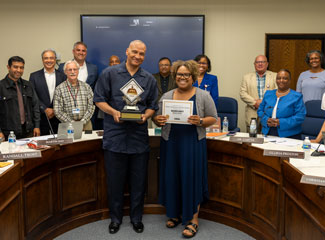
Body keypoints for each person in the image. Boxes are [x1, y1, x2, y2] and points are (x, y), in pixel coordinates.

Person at [94, 40, 158, 235]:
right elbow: (98, 99)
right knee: (115, 182)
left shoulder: (148, 79)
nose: (138, 56)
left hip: (138, 137)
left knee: (138, 182)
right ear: (127, 52)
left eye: (142, 54)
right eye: (135, 52)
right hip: (115, 136)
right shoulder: (109, 74)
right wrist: (113, 112)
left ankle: (136, 218)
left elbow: (152, 106)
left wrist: (146, 116)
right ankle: (115, 219)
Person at [153, 60, 217, 238]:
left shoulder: (203, 95)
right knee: (172, 177)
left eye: (186, 74)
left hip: (192, 143)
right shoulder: (166, 96)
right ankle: (174, 213)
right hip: (170, 142)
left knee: (191, 179)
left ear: (193, 77)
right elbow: (157, 118)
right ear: (175, 76)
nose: (182, 77)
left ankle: (193, 219)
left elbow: (214, 118)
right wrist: (158, 120)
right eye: (179, 74)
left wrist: (201, 121)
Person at [257, 69, 306, 139]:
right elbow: (260, 111)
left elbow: (300, 117)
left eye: (285, 78)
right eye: (279, 78)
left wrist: (281, 122)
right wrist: (266, 120)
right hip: (268, 132)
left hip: (290, 134)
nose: (281, 80)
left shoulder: (296, 96)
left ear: (289, 80)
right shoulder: (268, 94)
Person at [0, 56, 40, 140]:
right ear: (8, 67)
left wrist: (37, 126)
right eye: (15, 67)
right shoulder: (1, 86)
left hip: (28, 132)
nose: (18, 70)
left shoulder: (28, 85)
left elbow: (35, 106)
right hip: (8, 134)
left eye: (21, 68)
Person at [29, 49, 66, 135]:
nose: (49, 60)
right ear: (42, 60)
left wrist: (54, 110)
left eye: (51, 58)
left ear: (55, 59)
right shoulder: (34, 76)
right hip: (41, 117)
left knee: (61, 144)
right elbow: (33, 96)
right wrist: (44, 108)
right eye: (46, 58)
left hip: (59, 117)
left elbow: (64, 96)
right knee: (43, 145)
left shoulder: (63, 76)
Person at [53, 60, 95, 130]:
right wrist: (72, 122)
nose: (72, 72)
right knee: (70, 141)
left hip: (86, 124)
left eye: (75, 69)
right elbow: (57, 111)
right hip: (67, 125)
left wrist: (82, 122)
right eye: (70, 70)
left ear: (78, 71)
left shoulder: (87, 87)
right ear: (65, 72)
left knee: (88, 141)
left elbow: (92, 106)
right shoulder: (59, 89)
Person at [240, 55, 277, 132]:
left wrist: (263, 103)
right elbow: (243, 93)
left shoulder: (274, 76)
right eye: (257, 62)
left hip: (269, 111)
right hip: (252, 111)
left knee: (268, 136)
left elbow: (277, 92)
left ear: (267, 64)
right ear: (254, 64)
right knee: (251, 137)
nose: (260, 64)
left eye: (262, 62)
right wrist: (255, 103)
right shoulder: (246, 77)